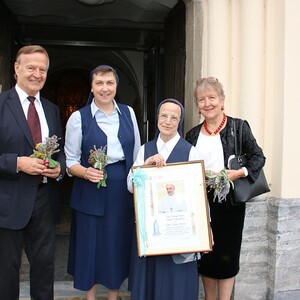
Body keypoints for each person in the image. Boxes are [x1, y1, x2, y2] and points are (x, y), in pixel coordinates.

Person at [185, 77, 266, 300]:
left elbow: (258, 158)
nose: (207, 103)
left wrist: (238, 173)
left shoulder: (238, 127)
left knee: (228, 257)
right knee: (207, 256)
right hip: (202, 203)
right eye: (201, 99)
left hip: (230, 203)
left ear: (222, 100)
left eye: (212, 97)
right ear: (197, 104)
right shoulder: (192, 135)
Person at [65, 64, 141, 300]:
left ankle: (112, 295)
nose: (105, 88)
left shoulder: (128, 113)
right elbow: (69, 160)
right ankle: (90, 297)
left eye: (110, 83)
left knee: (116, 242)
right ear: (92, 87)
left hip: (121, 187)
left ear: (116, 86)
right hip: (89, 187)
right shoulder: (78, 118)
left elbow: (137, 153)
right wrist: (85, 172)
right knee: (90, 244)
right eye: (99, 83)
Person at [0, 45, 66, 299]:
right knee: (6, 272)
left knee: (44, 270)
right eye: (31, 68)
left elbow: (57, 152)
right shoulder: (2, 104)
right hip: (8, 202)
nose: (37, 74)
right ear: (16, 68)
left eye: (42, 69)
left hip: (44, 202)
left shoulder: (51, 109)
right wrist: (18, 163)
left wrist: (58, 169)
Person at [128, 98, 202, 300]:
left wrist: (206, 227)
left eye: (173, 117)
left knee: (176, 285)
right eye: (164, 116)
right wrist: (144, 166)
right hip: (152, 232)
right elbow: (130, 185)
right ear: (157, 118)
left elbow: (198, 192)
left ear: (180, 121)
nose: (168, 121)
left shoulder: (190, 151)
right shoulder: (145, 150)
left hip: (181, 232)